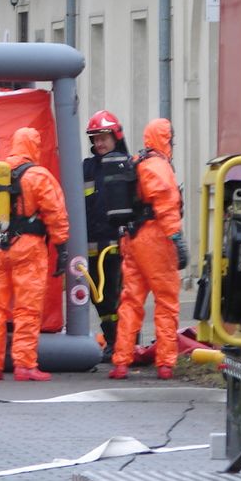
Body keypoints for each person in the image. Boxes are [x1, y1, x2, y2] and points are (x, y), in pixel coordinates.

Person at [0, 126, 70, 381]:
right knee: (27, 308)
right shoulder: (39, 176)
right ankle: (24, 365)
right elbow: (56, 214)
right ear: (34, 146)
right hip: (28, 247)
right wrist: (61, 246)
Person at [109, 118, 184, 381]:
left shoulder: (138, 162)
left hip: (133, 238)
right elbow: (166, 204)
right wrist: (177, 238)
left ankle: (121, 361)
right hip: (156, 237)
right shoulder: (158, 166)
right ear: (165, 138)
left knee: (130, 301)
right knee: (166, 302)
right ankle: (165, 363)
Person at [82, 110, 130, 363]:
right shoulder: (86, 168)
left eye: (104, 138)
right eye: (95, 139)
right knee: (98, 298)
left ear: (115, 137)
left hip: (118, 245)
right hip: (91, 245)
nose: (99, 143)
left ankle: (121, 343)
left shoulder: (127, 165)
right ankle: (113, 341)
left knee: (116, 295)